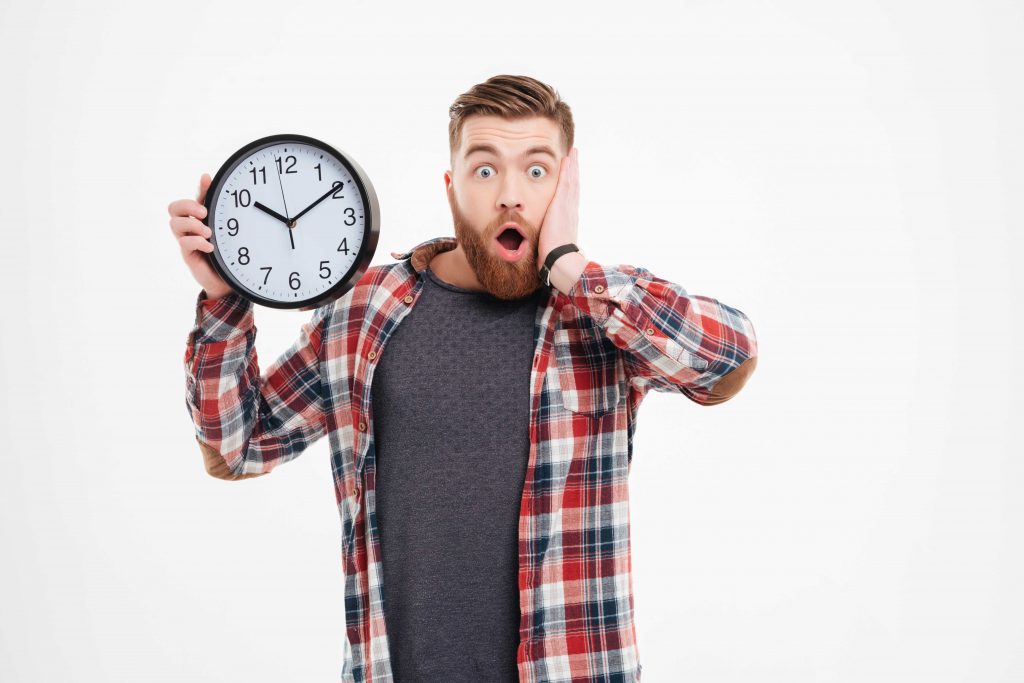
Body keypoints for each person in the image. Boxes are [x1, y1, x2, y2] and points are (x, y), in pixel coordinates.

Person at [168, 74, 759, 683]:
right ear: (451, 189)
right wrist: (223, 301)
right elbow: (237, 447)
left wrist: (571, 268)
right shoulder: (363, 311)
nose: (511, 195)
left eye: (536, 171)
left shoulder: (605, 313)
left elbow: (731, 356)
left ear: (566, 187)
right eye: (484, 170)